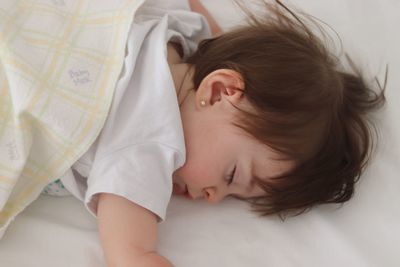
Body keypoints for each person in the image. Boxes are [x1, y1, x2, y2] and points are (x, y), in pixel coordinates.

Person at [43, 0, 385, 266]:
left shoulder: (174, 28)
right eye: (231, 175)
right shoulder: (148, 144)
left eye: (230, 194)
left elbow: (210, 32)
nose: (213, 196)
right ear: (220, 91)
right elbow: (130, 253)